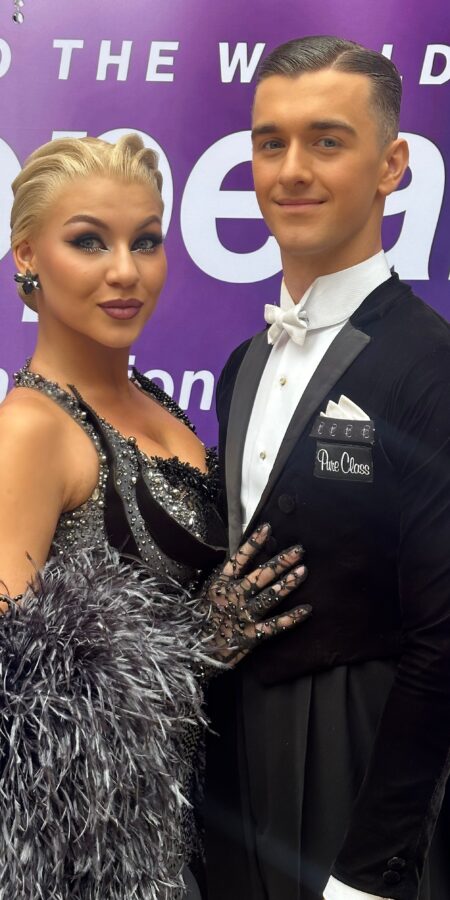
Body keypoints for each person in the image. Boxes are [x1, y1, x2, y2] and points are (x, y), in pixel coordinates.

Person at [0, 133, 311, 900]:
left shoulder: (156, 404)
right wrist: (194, 648)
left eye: (145, 241)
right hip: (96, 859)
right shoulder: (31, 430)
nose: (125, 271)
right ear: (28, 257)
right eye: (89, 241)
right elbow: (17, 692)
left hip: (207, 822)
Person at [204, 36, 450, 900]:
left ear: (392, 166)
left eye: (327, 141)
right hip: (235, 793)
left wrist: (373, 872)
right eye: (271, 142)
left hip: (367, 781)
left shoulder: (433, 366)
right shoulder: (241, 367)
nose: (292, 170)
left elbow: (444, 639)